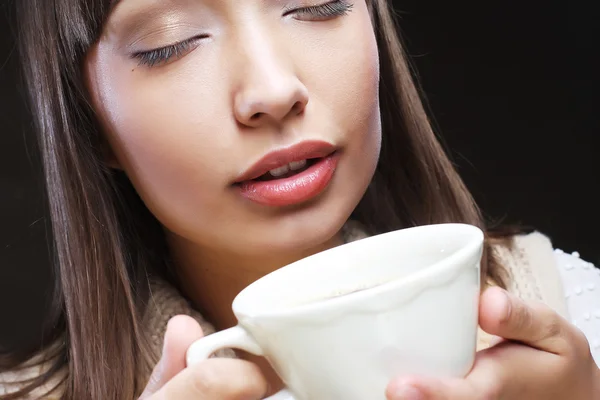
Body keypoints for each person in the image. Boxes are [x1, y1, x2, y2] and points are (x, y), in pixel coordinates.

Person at [1, 0, 599, 398]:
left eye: (315, 3)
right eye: (171, 43)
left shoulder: (564, 309)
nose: (272, 89)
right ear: (87, 120)